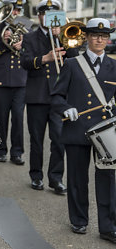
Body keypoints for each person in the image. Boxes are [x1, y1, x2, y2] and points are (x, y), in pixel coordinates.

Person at [51, 18, 116, 244]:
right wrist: (66, 108)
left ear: (107, 39)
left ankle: (108, 226)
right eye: (95, 35)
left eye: (104, 35)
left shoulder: (114, 66)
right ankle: (79, 220)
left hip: (106, 132)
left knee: (107, 179)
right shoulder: (72, 64)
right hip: (77, 129)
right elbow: (57, 96)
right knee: (78, 179)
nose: (99, 39)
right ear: (86, 37)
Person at [21, 0, 77, 193]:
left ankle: (55, 178)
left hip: (59, 96)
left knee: (59, 139)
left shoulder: (64, 36)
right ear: (40, 16)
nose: (49, 18)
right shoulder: (30, 37)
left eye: (53, 14)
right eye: (45, 14)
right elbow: (25, 62)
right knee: (36, 140)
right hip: (37, 96)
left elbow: (75, 58)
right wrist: (46, 58)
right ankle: (36, 176)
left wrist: (62, 37)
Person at [0, 0, 27, 165]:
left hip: (20, 81)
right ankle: (1, 149)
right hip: (1, 80)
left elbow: (30, 54)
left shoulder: (26, 29)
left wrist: (21, 47)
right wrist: (4, 43)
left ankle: (17, 153)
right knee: (1, 118)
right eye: (12, 10)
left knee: (18, 118)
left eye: (17, 10)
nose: (15, 13)